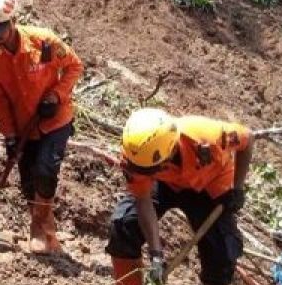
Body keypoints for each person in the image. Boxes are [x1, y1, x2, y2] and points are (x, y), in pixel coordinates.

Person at [0, 0, 83, 254]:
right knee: (28, 180)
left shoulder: (44, 42)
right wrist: (9, 135)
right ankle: (49, 230)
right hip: (23, 125)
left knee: (46, 171)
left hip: (55, 119)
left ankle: (39, 228)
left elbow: (74, 66)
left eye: (1, 30)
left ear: (14, 21)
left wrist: (56, 96)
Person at [108, 108, 254, 285]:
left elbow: (248, 138)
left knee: (222, 253)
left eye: (152, 168)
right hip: (165, 182)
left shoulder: (210, 136)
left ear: (169, 152)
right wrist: (156, 255)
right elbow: (143, 200)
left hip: (210, 185)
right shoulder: (135, 160)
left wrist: (237, 188)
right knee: (124, 226)